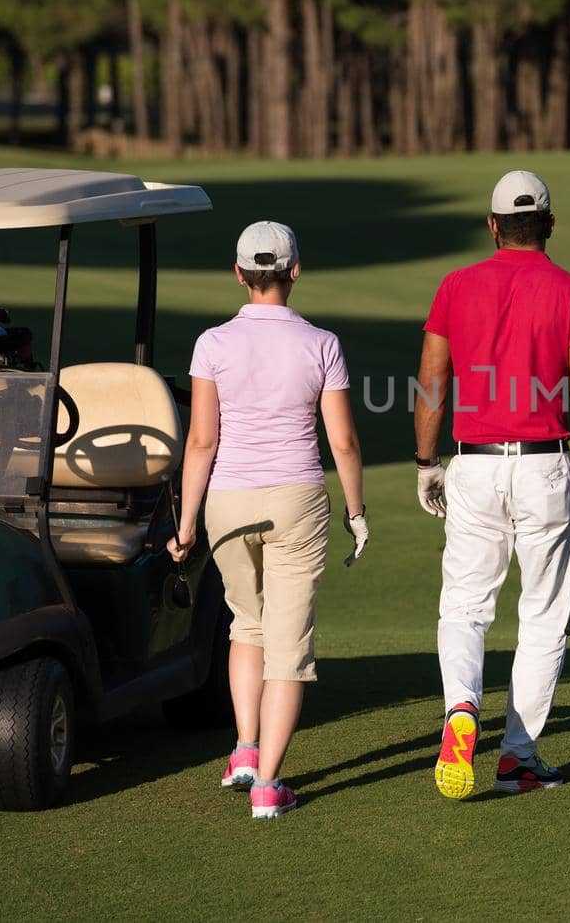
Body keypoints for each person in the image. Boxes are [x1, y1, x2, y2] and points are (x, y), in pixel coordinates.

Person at [413, 169, 570, 799]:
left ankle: (461, 712)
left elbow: (432, 382)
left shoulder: (455, 286)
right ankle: (518, 757)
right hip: (544, 466)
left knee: (465, 606)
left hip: (473, 465)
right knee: (544, 616)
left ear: (493, 225)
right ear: (549, 225)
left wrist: (426, 461)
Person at [169, 220, 369, 820]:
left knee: (245, 625)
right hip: (297, 500)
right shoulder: (322, 344)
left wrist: (185, 526)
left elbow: (201, 441)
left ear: (239, 274)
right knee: (289, 647)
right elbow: (345, 442)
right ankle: (267, 787)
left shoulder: (212, 343)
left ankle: (245, 751)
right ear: (295, 271)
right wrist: (357, 513)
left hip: (228, 501)